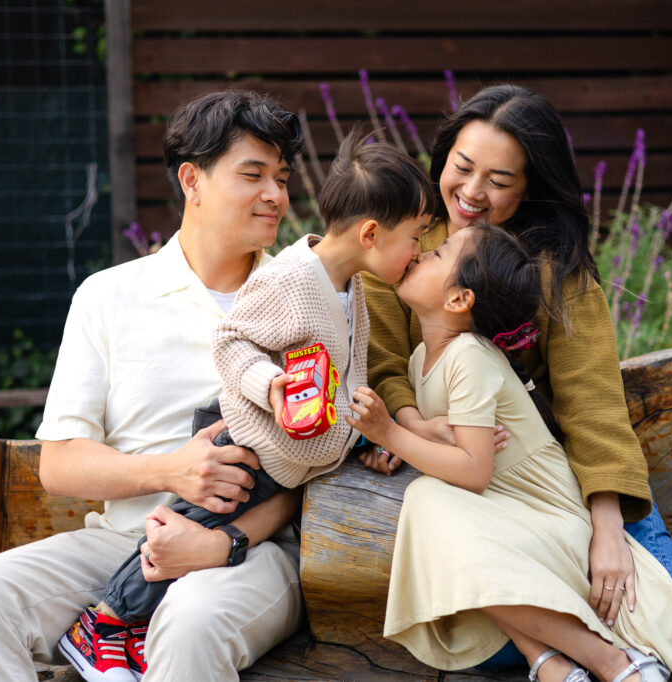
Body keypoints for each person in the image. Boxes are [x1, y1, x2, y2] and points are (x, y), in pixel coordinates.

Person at [361, 84, 672, 672]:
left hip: (568, 487)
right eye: (461, 167)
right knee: (481, 653)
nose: (471, 192)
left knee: (665, 616)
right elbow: (385, 362)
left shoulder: (560, 275)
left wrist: (607, 532)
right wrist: (414, 425)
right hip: (481, 493)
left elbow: (592, 410)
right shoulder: (406, 247)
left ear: (532, 184)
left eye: (499, 180)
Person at [0, 90, 310, 682]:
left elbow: (313, 466)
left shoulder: (303, 302)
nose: (276, 196)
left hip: (253, 553)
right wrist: (172, 473)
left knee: (189, 624)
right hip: (121, 542)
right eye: (253, 175)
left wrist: (224, 544)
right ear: (193, 180)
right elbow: (58, 465)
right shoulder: (109, 296)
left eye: (282, 178)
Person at [57, 130, 435, 680]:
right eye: (417, 237)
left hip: (278, 457)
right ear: (372, 233)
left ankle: (130, 627)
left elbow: (337, 383)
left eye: (281, 179)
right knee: (170, 539)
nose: (419, 252)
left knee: (185, 541)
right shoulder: (289, 279)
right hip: (243, 446)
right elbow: (231, 342)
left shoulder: (349, 287)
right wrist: (268, 385)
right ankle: (104, 625)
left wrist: (364, 441)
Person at [351, 223, 672, 681]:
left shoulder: (468, 356)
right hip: (509, 514)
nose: (421, 254)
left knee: (426, 500)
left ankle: (614, 658)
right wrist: (405, 440)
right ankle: (548, 661)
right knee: (432, 510)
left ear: (459, 300)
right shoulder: (423, 359)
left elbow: (474, 470)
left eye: (438, 254)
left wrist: (392, 435)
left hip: (547, 513)